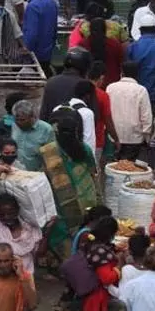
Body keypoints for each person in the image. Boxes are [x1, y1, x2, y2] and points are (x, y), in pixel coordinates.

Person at [41, 106, 102, 258]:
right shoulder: (84, 149)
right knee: (80, 229)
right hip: (84, 198)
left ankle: (62, 260)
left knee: (60, 230)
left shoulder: (48, 151)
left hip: (59, 200)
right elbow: (93, 173)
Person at [107, 62, 153, 160]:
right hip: (134, 138)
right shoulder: (141, 90)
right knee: (129, 168)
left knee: (112, 166)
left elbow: (106, 112)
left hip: (113, 136)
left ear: (122, 72)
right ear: (137, 74)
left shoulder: (111, 88)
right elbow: (146, 116)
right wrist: (147, 138)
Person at [21, 0, 59, 76]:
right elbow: (55, 29)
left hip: (35, 53)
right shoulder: (51, 3)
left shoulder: (32, 6)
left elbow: (32, 32)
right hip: (48, 51)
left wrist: (26, 49)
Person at [10, 100, 56, 171]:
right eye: (16, 120)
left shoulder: (46, 130)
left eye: (22, 120)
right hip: (16, 174)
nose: (19, 123)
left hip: (37, 175)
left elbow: (52, 158)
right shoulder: (14, 126)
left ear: (32, 117)